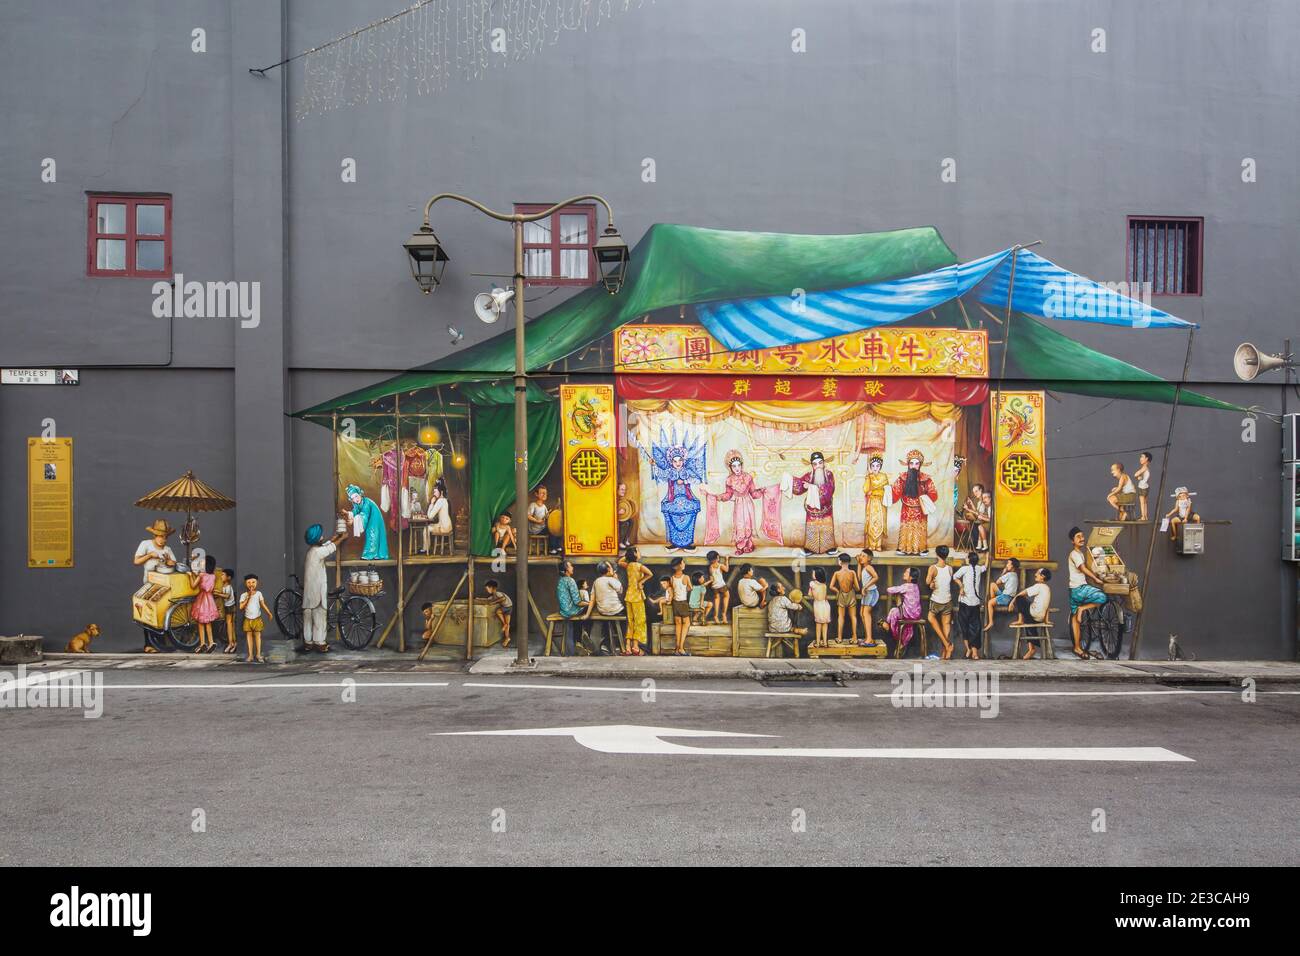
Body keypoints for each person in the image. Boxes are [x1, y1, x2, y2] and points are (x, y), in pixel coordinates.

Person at [302, 521, 347, 653]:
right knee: (320, 618)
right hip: (317, 593)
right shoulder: (318, 552)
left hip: (309, 594)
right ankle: (320, 643)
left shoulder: (312, 552)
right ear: (316, 539)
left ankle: (308, 642)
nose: (323, 537)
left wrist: (334, 537)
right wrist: (342, 538)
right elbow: (330, 548)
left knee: (308, 619)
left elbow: (326, 545)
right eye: (321, 536)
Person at [1067, 526, 1108, 659]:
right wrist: (1095, 578)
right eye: (1078, 537)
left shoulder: (1080, 553)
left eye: (1082, 536)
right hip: (1080, 589)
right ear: (1072, 541)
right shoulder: (1074, 554)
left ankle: (1077, 648)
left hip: (1073, 590)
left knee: (1075, 620)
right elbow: (1083, 569)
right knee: (1103, 597)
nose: (1081, 538)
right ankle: (1082, 609)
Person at [887, 450, 939, 555]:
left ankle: (921, 549)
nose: (914, 466)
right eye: (911, 463)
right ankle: (903, 548)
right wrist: (887, 490)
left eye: (916, 463)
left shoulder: (926, 479)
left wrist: (924, 498)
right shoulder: (902, 478)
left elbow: (933, 493)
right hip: (906, 508)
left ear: (920, 465)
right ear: (908, 464)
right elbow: (895, 492)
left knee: (920, 528)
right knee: (906, 527)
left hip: (920, 508)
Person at [717, 450, 764, 554]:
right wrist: (718, 497)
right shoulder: (729, 480)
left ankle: (748, 545)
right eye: (734, 466)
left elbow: (753, 493)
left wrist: (762, 492)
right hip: (738, 505)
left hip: (748, 504)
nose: (737, 468)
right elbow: (728, 495)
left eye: (739, 465)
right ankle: (740, 547)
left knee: (748, 522)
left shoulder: (748, 477)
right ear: (730, 467)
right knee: (739, 524)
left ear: (742, 465)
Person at [790, 451, 837, 554]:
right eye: (815, 464)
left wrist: (811, 487)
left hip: (826, 508)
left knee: (826, 526)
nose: (818, 466)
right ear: (812, 465)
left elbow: (830, 489)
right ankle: (810, 548)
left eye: (820, 463)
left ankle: (829, 547)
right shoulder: (809, 476)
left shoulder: (829, 475)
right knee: (812, 527)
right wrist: (790, 480)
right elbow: (800, 486)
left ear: (824, 463)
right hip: (812, 509)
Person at [618, 546, 653, 656]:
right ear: (635, 554)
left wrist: (628, 555)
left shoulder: (628, 565)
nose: (640, 552)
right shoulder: (639, 566)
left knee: (631, 621)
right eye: (637, 551)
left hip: (629, 596)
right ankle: (636, 647)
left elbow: (620, 561)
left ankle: (628, 646)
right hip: (637, 596)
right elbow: (650, 574)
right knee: (640, 621)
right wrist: (641, 582)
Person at [1012, 568, 1053, 659]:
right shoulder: (1047, 588)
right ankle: (1032, 649)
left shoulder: (1038, 586)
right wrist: (1046, 620)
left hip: (1034, 613)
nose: (1035, 574)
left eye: (1037, 573)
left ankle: (1020, 620)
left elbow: (1022, 594)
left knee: (1019, 598)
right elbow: (1047, 606)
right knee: (1028, 619)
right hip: (1040, 617)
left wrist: (1012, 602)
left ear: (1042, 577)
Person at [881, 567, 924, 655]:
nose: (904, 573)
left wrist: (897, 593)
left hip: (908, 613)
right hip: (916, 614)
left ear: (911, 577)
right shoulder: (916, 586)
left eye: (906, 572)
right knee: (907, 624)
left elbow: (890, 590)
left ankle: (887, 625)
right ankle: (903, 642)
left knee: (893, 611)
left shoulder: (906, 586)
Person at [588, 561, 625, 654]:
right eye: (612, 568)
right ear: (609, 569)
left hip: (603, 610)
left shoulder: (596, 581)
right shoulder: (611, 579)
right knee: (624, 618)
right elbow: (620, 590)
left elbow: (593, 596)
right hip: (615, 610)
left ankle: (606, 644)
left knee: (606, 621)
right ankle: (619, 645)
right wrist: (617, 579)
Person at [952, 550, 984, 659]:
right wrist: (961, 587)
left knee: (966, 627)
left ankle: (972, 651)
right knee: (973, 628)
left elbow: (955, 577)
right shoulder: (979, 568)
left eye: (967, 557)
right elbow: (986, 566)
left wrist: (961, 586)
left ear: (969, 560)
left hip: (967, 603)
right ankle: (971, 651)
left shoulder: (965, 568)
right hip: (971, 603)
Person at [345, 484, 389, 560]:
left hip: (375, 518)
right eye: (353, 498)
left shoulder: (366, 502)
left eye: (356, 496)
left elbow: (364, 514)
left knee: (373, 533)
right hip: (370, 518)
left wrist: (354, 520)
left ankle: (369, 555)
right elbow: (355, 511)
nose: (355, 499)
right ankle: (378, 554)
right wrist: (348, 513)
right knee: (373, 533)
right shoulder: (357, 504)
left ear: (359, 493)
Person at [187, 554, 220, 653]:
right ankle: (211, 642)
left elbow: (193, 586)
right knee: (208, 622)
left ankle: (202, 643)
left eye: (203, 562)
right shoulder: (213, 576)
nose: (201, 563)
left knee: (200, 622)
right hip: (209, 599)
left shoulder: (201, 575)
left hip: (202, 599)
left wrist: (190, 576)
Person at [926, 545, 955, 659]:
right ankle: (945, 652)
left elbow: (928, 581)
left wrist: (932, 582)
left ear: (937, 554)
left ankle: (947, 644)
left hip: (937, 600)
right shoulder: (950, 568)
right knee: (946, 625)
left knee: (930, 618)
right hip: (948, 600)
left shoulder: (933, 568)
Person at [238, 573, 272, 664]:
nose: (251, 584)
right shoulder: (243, 595)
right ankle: (250, 655)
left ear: (257, 583)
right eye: (249, 582)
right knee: (249, 636)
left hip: (257, 618)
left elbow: (263, 604)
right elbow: (241, 607)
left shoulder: (259, 594)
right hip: (248, 619)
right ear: (246, 584)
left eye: (253, 582)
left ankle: (258, 654)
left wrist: (269, 613)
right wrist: (248, 597)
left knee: (258, 636)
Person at [555, 560, 586, 656]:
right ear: (566, 569)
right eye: (570, 566)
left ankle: (578, 641)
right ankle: (583, 636)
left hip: (564, 611)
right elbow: (578, 602)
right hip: (571, 611)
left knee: (578, 619)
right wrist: (589, 603)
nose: (572, 567)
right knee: (588, 613)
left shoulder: (560, 580)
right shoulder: (570, 580)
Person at [829, 552, 860, 644]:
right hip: (851, 595)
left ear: (840, 561)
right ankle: (854, 637)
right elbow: (858, 588)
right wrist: (852, 586)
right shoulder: (852, 573)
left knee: (841, 617)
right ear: (849, 562)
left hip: (841, 595)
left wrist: (838, 591)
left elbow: (831, 586)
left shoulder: (837, 573)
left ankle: (839, 638)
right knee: (853, 617)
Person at [984, 557, 1021, 631]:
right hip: (1007, 596)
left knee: (989, 602)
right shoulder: (1015, 575)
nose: (1007, 565)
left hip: (1006, 597)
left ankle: (991, 622)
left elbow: (998, 581)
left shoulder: (1009, 574)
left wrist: (1004, 572)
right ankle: (993, 603)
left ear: (1012, 566)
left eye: (1008, 564)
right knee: (992, 585)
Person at [862, 455, 890, 550]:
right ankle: (871, 545)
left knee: (880, 522)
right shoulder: (869, 477)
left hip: (881, 503)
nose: (875, 468)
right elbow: (865, 490)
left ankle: (878, 545)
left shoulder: (884, 477)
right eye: (873, 466)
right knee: (871, 522)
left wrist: (874, 491)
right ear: (870, 466)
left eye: (877, 466)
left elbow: (885, 491)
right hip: (872, 503)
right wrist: (867, 479)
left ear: (880, 466)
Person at [668, 558, 692, 655]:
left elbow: (672, 591)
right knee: (686, 623)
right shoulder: (685, 577)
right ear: (679, 566)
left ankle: (676, 648)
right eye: (683, 562)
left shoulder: (672, 578)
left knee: (678, 624)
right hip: (683, 603)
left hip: (675, 603)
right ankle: (681, 648)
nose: (684, 564)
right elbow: (690, 588)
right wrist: (686, 589)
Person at [856, 550, 880, 647]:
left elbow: (876, 577)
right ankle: (868, 637)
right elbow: (859, 578)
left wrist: (865, 587)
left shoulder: (869, 567)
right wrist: (858, 564)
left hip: (871, 592)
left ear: (869, 558)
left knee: (866, 613)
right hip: (866, 593)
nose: (861, 557)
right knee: (862, 614)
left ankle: (869, 639)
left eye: (864, 556)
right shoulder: (864, 568)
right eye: (860, 555)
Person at [423, 478, 452, 552]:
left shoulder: (440, 501)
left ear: (441, 492)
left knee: (426, 529)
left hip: (444, 528)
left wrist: (432, 503)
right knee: (431, 526)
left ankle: (426, 549)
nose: (434, 493)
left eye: (435, 491)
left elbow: (430, 516)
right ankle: (427, 548)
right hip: (448, 526)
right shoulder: (445, 500)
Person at [484, 579, 514, 648]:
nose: (487, 590)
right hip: (509, 607)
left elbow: (503, 598)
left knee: (498, 611)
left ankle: (505, 624)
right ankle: (507, 638)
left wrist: (494, 602)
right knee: (508, 624)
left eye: (487, 588)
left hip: (507, 607)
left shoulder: (497, 593)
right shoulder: (494, 595)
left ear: (492, 588)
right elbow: (489, 599)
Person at [808, 568, 832, 648]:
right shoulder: (824, 585)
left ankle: (818, 643)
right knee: (825, 624)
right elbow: (825, 597)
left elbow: (810, 594)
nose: (812, 574)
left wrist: (810, 590)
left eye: (813, 573)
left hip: (818, 605)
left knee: (818, 625)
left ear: (817, 575)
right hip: (825, 605)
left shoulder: (812, 584)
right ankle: (825, 643)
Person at [706, 550, 730, 624]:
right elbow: (727, 570)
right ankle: (724, 614)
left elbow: (711, 577)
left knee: (717, 599)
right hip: (721, 585)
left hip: (714, 586)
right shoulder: (720, 565)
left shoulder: (710, 567)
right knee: (726, 596)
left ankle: (716, 616)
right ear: (717, 557)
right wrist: (726, 560)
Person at [218, 568, 238, 654]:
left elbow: (227, 596)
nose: (221, 576)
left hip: (230, 607)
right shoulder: (224, 586)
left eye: (223, 575)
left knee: (230, 626)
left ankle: (232, 643)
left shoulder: (229, 587)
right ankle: (232, 643)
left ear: (228, 577)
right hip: (227, 607)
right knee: (230, 626)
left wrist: (217, 594)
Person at [616, 482, 638, 549]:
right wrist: (617, 512)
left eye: (624, 490)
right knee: (624, 523)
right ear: (617, 490)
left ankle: (625, 540)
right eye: (622, 489)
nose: (624, 491)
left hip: (620, 518)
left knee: (631, 521)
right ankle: (620, 542)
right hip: (613, 519)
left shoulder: (621, 498)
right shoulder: (613, 498)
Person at [1134, 452, 1152, 521]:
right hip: (1146, 486)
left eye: (1142, 457)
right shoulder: (1146, 468)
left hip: (1142, 486)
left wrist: (1138, 477)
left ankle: (1143, 517)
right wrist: (1140, 477)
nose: (1140, 459)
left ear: (1146, 459)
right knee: (1145, 502)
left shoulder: (1144, 468)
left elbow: (1135, 474)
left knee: (1142, 502)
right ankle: (1145, 516)